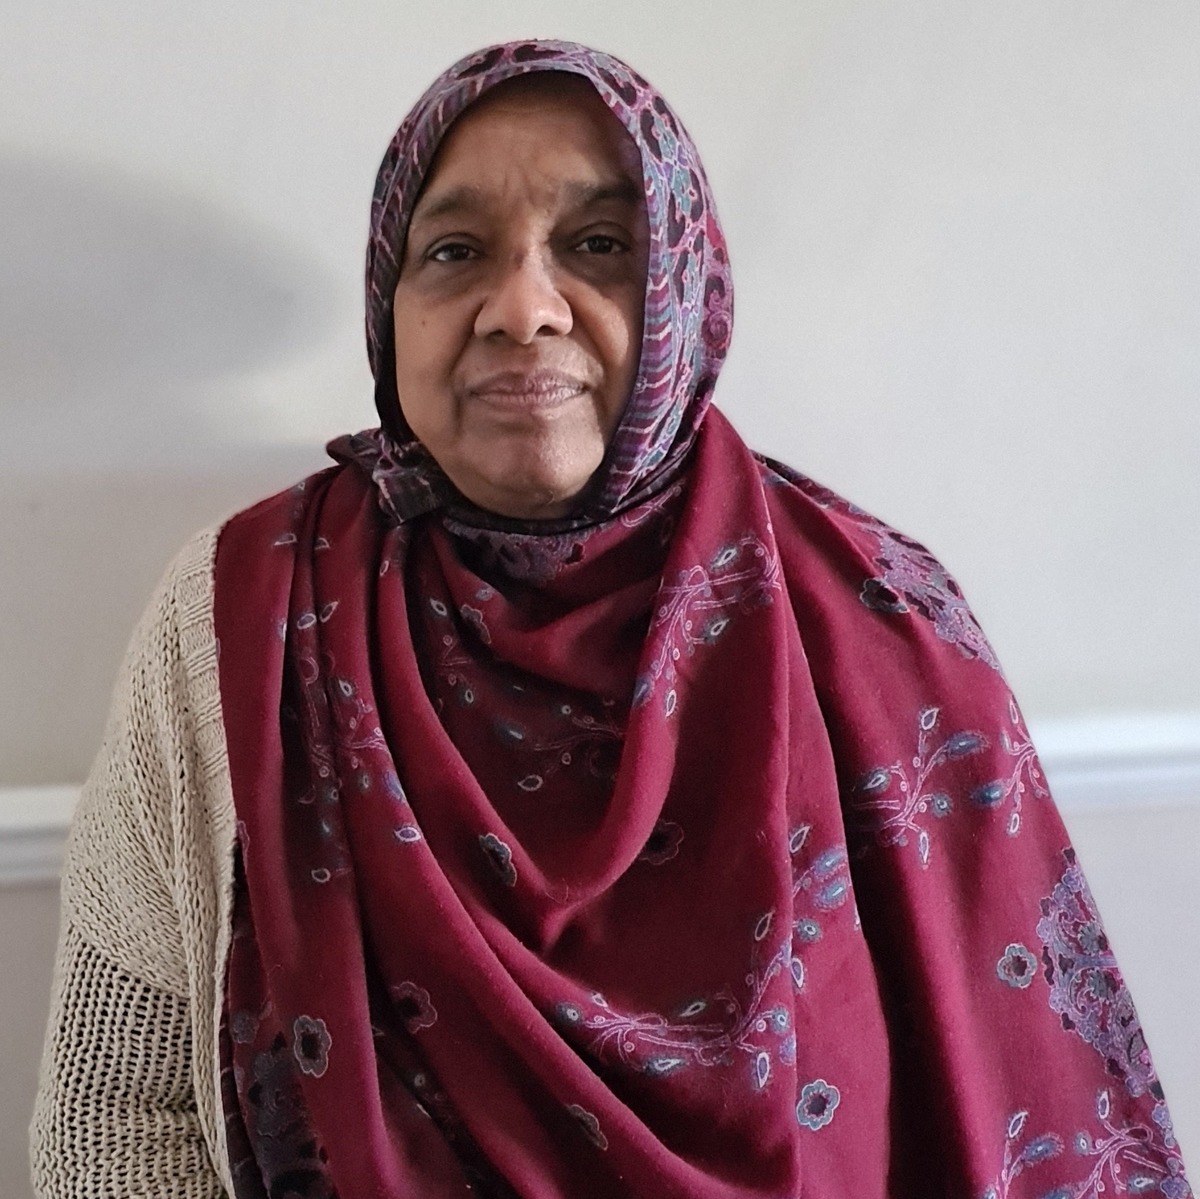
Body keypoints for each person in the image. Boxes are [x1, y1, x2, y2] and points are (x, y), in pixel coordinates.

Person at [31, 39, 1190, 1199]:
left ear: (686, 281)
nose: (522, 311)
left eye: (598, 245)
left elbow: (1027, 1078)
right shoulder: (240, 612)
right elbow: (117, 1102)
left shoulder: (880, 612)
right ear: (392, 303)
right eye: (453, 251)